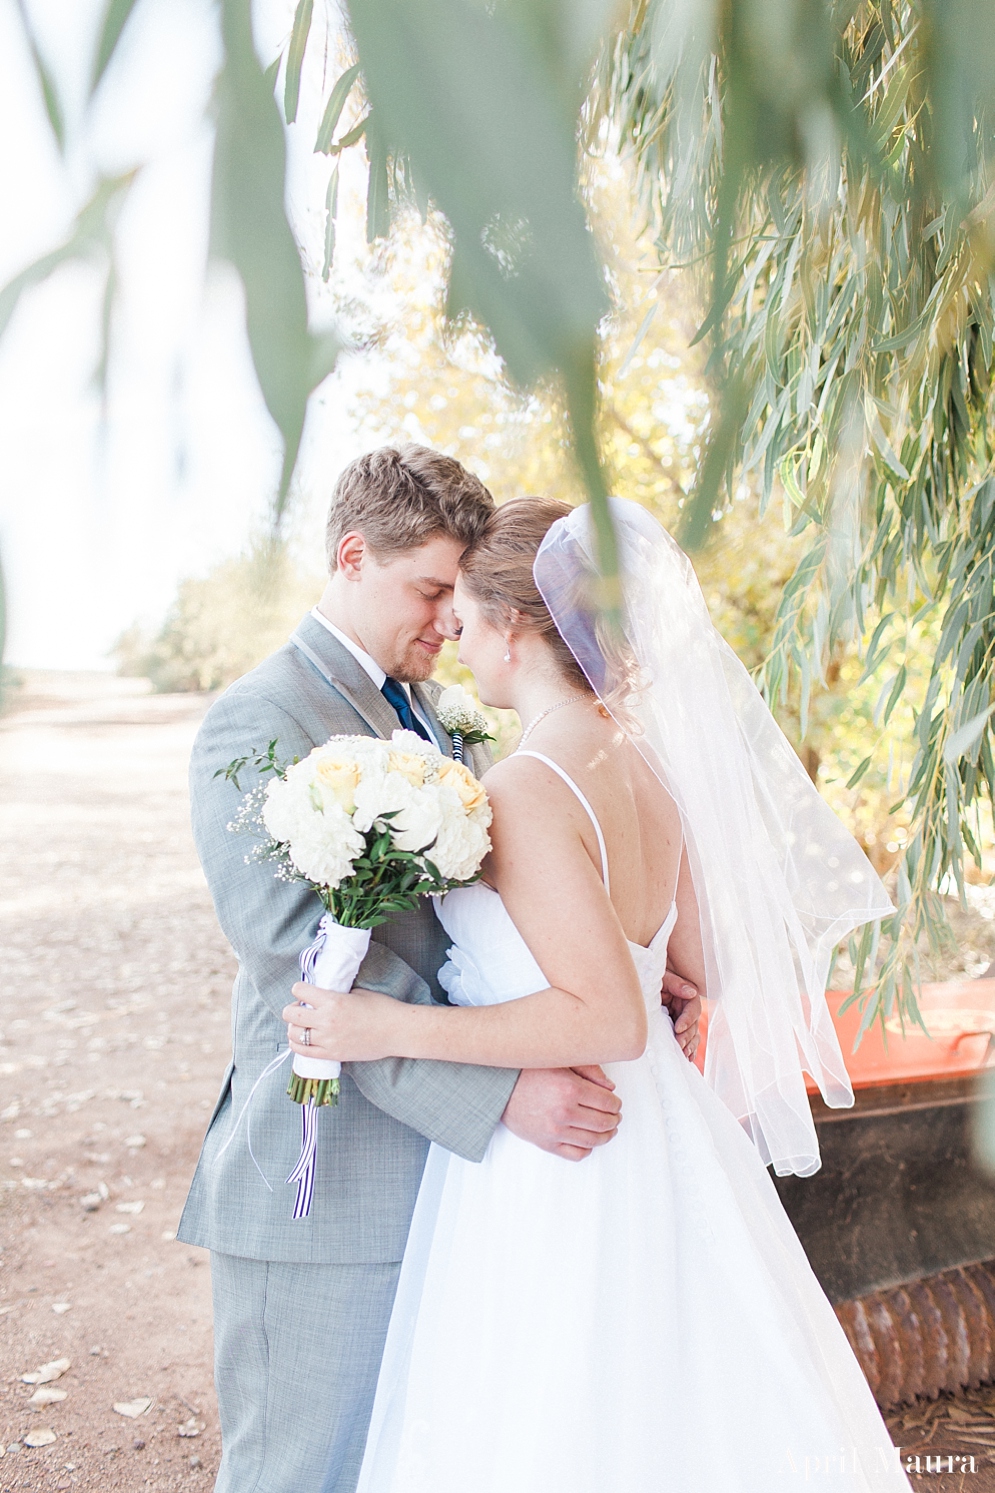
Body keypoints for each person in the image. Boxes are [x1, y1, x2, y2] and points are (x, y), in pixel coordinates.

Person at [284, 496, 913, 1492]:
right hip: (667, 1130)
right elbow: (705, 966)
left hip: (568, 1156)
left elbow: (605, 1016)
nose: (452, 629)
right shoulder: (644, 760)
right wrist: (635, 952)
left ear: (520, 627)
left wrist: (379, 1022)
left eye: (468, 612)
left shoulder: (528, 785)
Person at [178, 450, 700, 1493]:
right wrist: (502, 1090)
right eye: (427, 591)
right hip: (332, 1175)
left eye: (459, 598)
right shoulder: (259, 721)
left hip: (461, 1192)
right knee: (302, 1472)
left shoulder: (455, 719)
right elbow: (311, 974)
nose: (446, 623)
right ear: (351, 555)